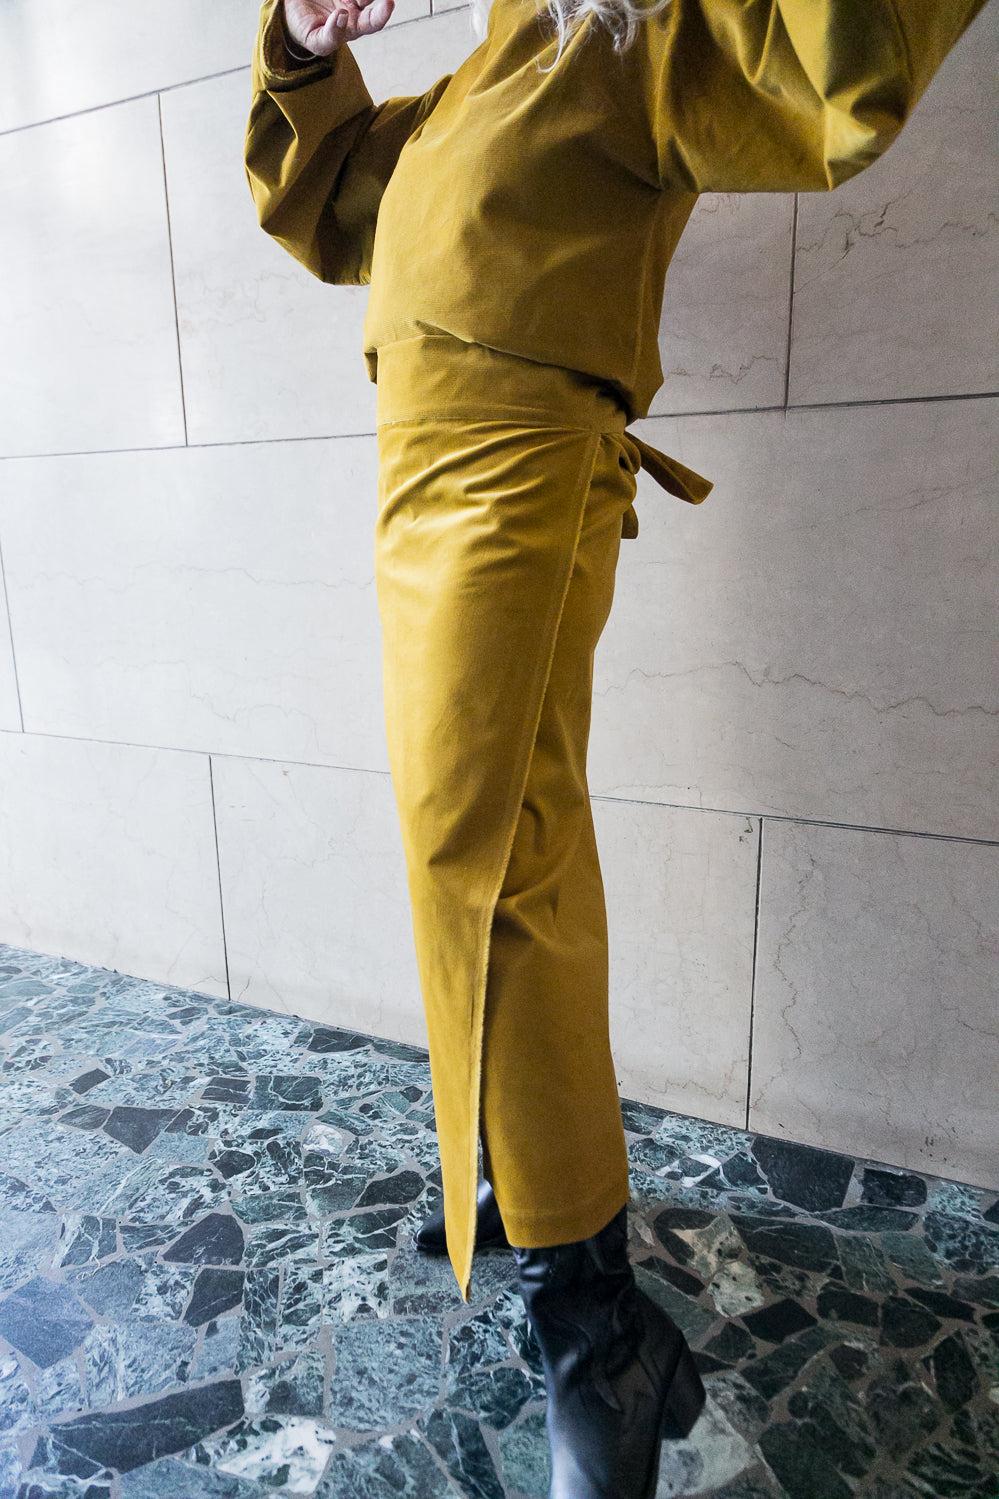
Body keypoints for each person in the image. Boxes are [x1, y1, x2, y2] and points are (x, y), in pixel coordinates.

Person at [243, 0, 986, 1491]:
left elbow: (833, 74)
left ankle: (596, 1328)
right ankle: (528, 1181)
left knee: (487, 854)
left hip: (516, 463)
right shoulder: (484, 72)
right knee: (469, 851)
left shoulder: (626, 35)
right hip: (419, 474)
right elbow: (331, 209)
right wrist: (306, 49)